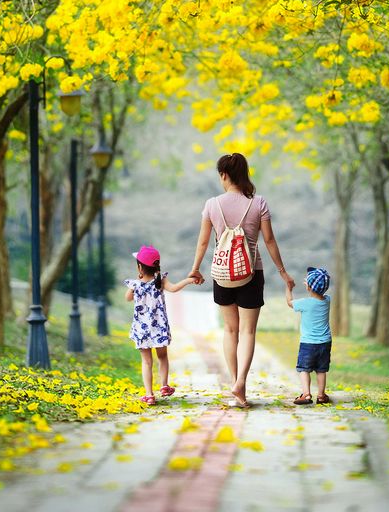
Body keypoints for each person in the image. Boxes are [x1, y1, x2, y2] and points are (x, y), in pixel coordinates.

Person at [188, 152, 295, 408]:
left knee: (230, 330)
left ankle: (235, 382)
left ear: (223, 175)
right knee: (248, 331)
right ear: (244, 174)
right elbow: (269, 240)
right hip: (251, 273)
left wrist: (195, 269)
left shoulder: (212, 204)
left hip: (222, 274)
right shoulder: (259, 203)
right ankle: (241, 385)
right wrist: (282, 272)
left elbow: (203, 241)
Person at [124, 244, 197, 406]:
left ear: (139, 267)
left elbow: (127, 298)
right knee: (162, 357)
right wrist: (189, 280)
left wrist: (137, 281)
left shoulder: (135, 285)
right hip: (159, 328)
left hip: (141, 329)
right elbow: (175, 288)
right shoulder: (161, 281)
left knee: (147, 362)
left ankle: (149, 395)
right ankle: (164, 386)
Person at [286, 266, 332, 405]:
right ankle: (321, 395)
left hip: (308, 344)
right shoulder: (327, 300)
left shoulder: (305, 303)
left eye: (307, 282)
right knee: (321, 370)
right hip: (325, 342)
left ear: (309, 287)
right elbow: (318, 292)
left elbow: (289, 303)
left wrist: (288, 288)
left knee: (304, 370)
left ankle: (306, 394)